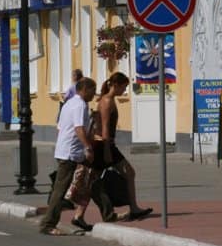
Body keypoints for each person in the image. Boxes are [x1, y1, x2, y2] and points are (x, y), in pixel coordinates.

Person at [88, 72, 153, 222]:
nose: (124, 91)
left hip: (107, 144)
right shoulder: (106, 102)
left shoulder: (109, 100)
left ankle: (133, 208)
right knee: (93, 180)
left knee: (95, 179)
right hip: (104, 145)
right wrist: (107, 150)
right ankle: (78, 212)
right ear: (115, 85)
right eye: (124, 87)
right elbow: (104, 127)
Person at [40, 77, 97, 235]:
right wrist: (88, 147)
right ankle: (48, 224)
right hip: (71, 152)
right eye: (93, 90)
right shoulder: (79, 105)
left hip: (68, 150)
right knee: (60, 189)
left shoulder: (70, 103)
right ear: (84, 89)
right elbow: (79, 129)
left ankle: (100, 212)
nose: (95, 94)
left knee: (91, 179)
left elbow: (61, 127)